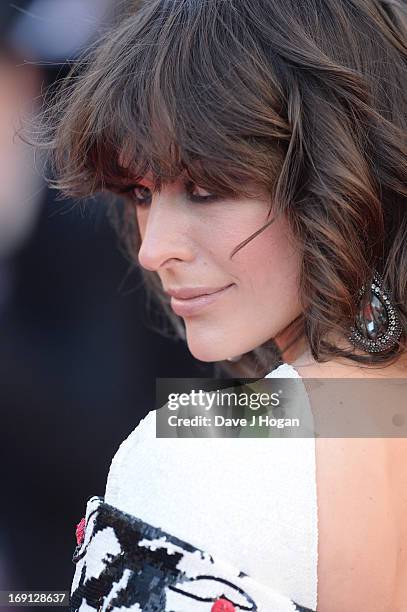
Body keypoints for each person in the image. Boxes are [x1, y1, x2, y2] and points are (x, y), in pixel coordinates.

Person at [36, 0, 407, 610]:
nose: (153, 249)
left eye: (206, 190)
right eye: (141, 192)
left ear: (340, 179)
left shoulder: (194, 443)